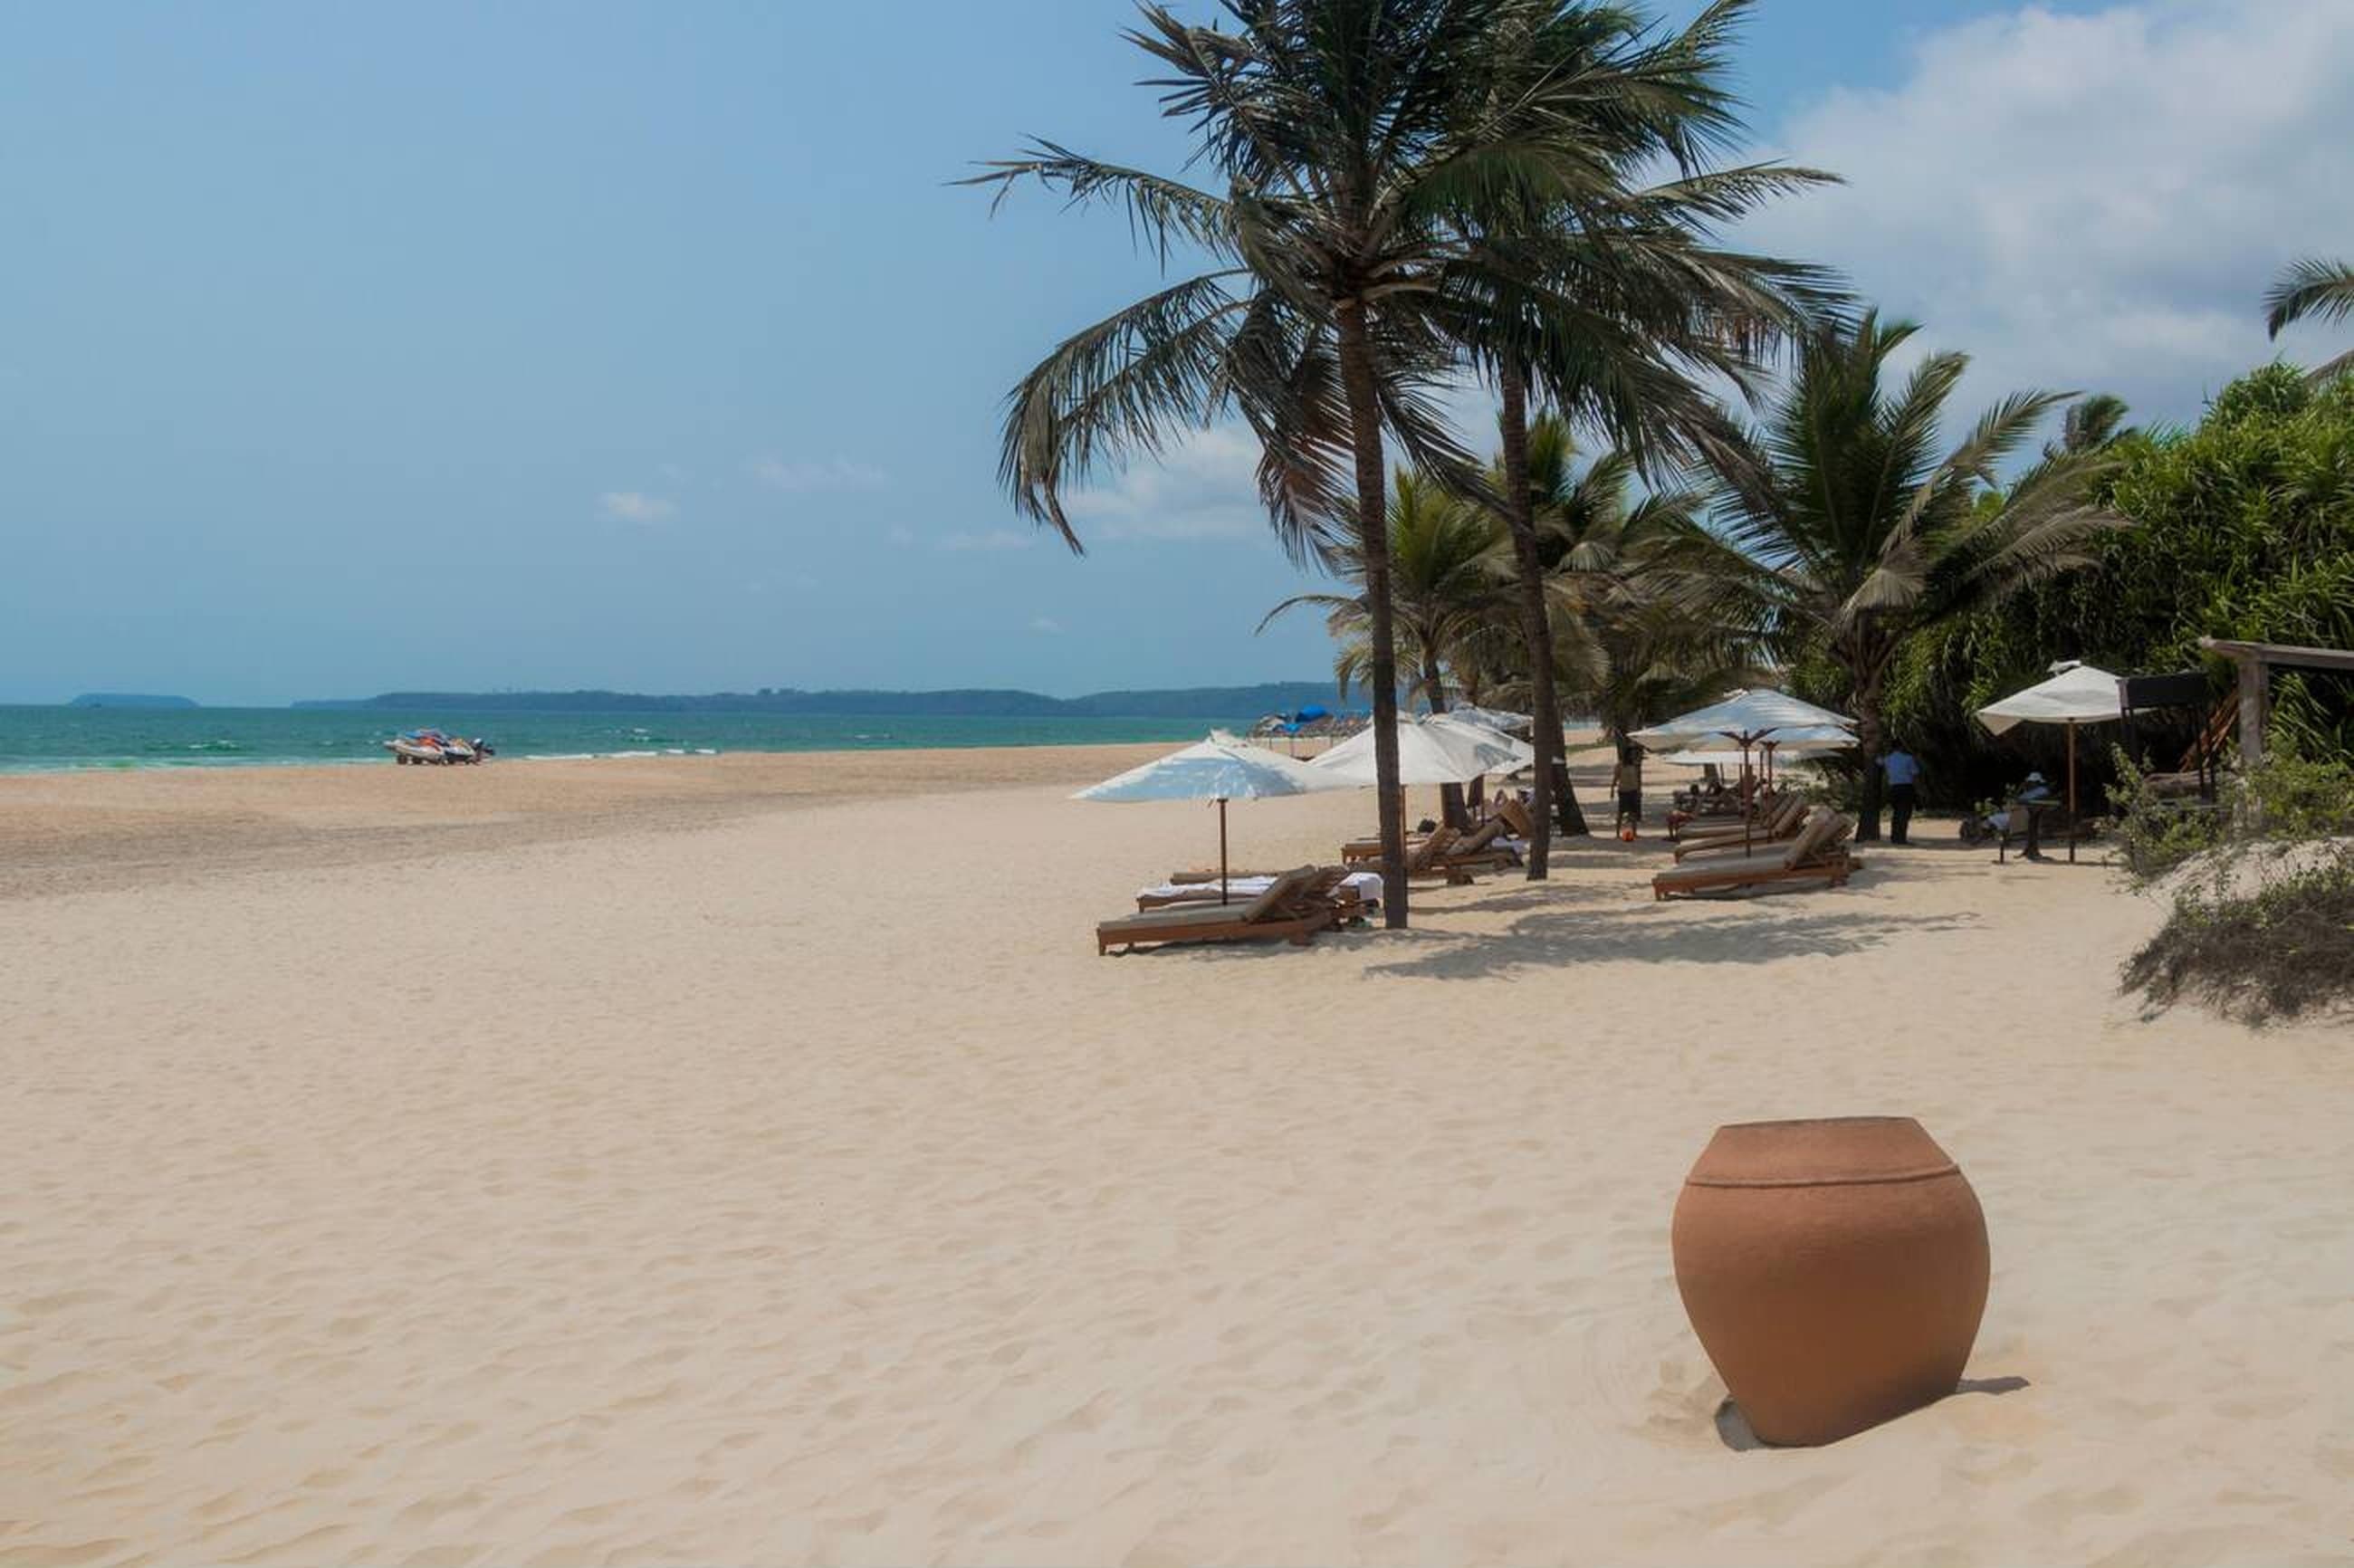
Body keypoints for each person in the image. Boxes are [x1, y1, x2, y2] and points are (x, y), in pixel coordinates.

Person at [1883, 747, 1920, 845]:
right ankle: (1901, 838)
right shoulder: (1908, 758)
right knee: (1904, 814)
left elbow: (1878, 762)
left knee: (1896, 813)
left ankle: (1894, 837)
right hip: (1906, 788)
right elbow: (1915, 773)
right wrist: (1917, 790)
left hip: (1893, 788)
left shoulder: (1887, 759)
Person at [1611, 748, 1644, 835]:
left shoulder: (1634, 765)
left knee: (1633, 813)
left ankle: (1635, 832)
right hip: (1623, 791)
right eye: (1632, 754)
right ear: (1628, 755)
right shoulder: (1620, 765)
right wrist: (1612, 789)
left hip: (1633, 790)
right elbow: (1616, 778)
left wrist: (1639, 790)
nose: (1633, 756)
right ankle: (1617, 833)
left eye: (1634, 755)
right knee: (1621, 813)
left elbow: (1637, 779)